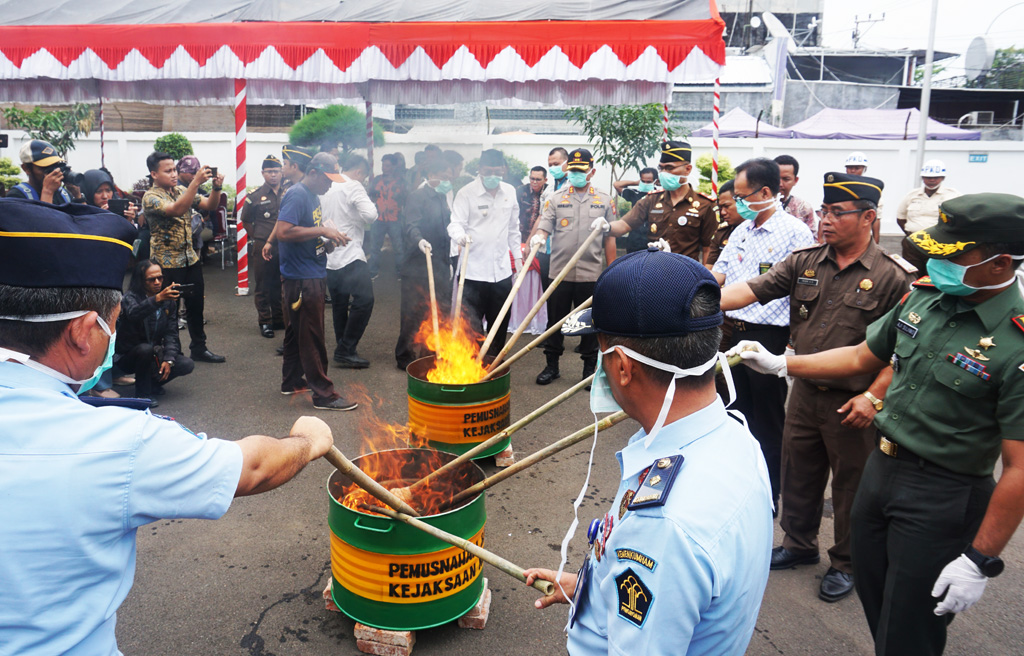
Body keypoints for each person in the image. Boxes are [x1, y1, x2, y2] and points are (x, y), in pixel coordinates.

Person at [0, 197, 337, 656]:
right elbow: (252, 467)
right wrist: (307, 440)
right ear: (82, 331)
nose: (111, 335)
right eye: (110, 324)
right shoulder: (116, 441)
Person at [728, 193, 1024, 655]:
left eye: (951, 255)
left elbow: (1020, 468)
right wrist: (785, 364)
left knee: (911, 622)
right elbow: (862, 355)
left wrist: (980, 559)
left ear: (999, 263)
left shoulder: (1016, 341)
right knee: (875, 594)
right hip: (883, 471)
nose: (935, 262)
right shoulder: (928, 299)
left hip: (942, 491)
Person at [524, 247, 773, 655]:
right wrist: (599, 586)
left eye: (600, 351)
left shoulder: (663, 525)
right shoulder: (734, 436)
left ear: (622, 366)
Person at [720, 172, 917, 603]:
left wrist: (873, 396)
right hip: (805, 391)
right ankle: (798, 544)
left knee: (851, 485)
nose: (825, 220)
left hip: (855, 401)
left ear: (868, 217)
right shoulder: (806, 259)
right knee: (799, 471)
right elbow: (753, 289)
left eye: (836, 213)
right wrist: (697, 299)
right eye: (824, 211)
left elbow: (903, 352)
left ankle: (847, 562)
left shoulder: (893, 277)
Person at [710, 157, 815, 509]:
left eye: (742, 196)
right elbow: (720, 276)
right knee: (736, 413)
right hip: (731, 331)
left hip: (768, 336)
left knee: (768, 420)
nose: (738, 202)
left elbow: (805, 293)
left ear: (765, 192)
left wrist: (791, 343)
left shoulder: (797, 233)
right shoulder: (742, 229)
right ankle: (742, 487)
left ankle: (769, 495)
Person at [276, 152, 357, 411]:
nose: (331, 184)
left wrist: (327, 242)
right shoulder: (298, 194)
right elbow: (283, 231)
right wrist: (323, 230)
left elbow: (305, 235)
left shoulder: (312, 196)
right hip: (303, 278)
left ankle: (291, 381)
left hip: (308, 271)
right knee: (312, 336)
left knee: (296, 332)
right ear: (313, 173)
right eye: (327, 179)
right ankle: (324, 394)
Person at [531, 148, 617, 385]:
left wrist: (612, 270)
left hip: (590, 273)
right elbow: (544, 227)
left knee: (589, 323)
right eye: (572, 170)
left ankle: (588, 369)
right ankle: (552, 366)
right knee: (555, 321)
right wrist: (538, 237)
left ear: (591, 171)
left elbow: (610, 238)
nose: (575, 174)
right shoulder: (556, 198)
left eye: (581, 170)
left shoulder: (604, 199)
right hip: (560, 273)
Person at [141, 151, 226, 364]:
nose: (173, 174)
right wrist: (195, 183)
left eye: (175, 170)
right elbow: (177, 209)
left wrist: (216, 187)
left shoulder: (181, 189)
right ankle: (170, 354)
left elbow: (210, 206)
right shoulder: (151, 197)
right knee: (169, 311)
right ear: (153, 174)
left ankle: (199, 348)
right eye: (167, 170)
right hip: (166, 264)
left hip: (190, 259)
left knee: (196, 307)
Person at [448, 148, 521, 358]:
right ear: (479, 169)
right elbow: (455, 224)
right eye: (488, 171)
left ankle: (494, 364)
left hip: (501, 272)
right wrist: (459, 236)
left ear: (504, 170)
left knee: (499, 323)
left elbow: (514, 229)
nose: (492, 176)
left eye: (497, 172)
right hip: (472, 272)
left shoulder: (510, 191)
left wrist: (518, 257)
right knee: (471, 324)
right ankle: (472, 364)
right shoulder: (466, 193)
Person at [608, 141, 717, 263]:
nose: (664, 173)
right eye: (661, 168)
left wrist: (707, 279)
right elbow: (624, 225)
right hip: (654, 271)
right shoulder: (651, 200)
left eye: (670, 168)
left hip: (686, 275)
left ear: (687, 169)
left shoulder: (705, 205)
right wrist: (606, 226)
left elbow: (709, 249)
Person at [396, 159, 457, 369]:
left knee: (440, 309)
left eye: (450, 178)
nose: (447, 181)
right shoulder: (417, 196)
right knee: (412, 311)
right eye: (444, 177)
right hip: (417, 263)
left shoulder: (443, 196)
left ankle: (430, 353)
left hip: (440, 261)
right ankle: (404, 355)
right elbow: (410, 225)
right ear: (432, 175)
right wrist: (419, 240)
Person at [322, 154, 377, 369]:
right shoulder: (353, 185)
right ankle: (345, 349)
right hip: (350, 253)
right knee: (365, 300)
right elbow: (371, 215)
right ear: (359, 172)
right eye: (363, 176)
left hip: (328, 254)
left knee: (339, 304)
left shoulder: (326, 187)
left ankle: (344, 347)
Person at [115, 260, 194, 406]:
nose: (157, 282)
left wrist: (168, 359)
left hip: (153, 354)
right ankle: (142, 395)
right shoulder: (130, 297)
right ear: (141, 280)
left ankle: (152, 383)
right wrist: (157, 299)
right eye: (152, 279)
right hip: (127, 356)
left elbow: (171, 333)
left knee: (186, 364)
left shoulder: (168, 301)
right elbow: (134, 314)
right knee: (145, 349)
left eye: (160, 278)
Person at [239, 155, 286, 338]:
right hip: (263, 245)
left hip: (285, 244)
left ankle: (279, 318)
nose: (273, 175)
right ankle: (265, 322)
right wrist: (259, 237)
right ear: (263, 173)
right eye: (269, 172)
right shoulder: (255, 196)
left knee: (281, 283)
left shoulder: (288, 192)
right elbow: (245, 221)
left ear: (282, 172)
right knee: (263, 284)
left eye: (276, 171)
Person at [896, 159, 961, 274]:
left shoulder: (952, 195)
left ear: (942, 178)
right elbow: (901, 218)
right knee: (911, 273)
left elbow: (958, 219)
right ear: (922, 178)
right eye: (927, 177)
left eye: (936, 177)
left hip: (938, 243)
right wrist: (912, 233)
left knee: (934, 274)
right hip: (912, 243)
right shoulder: (912, 195)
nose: (932, 180)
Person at [367, 153, 409, 280]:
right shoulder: (376, 180)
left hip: (395, 218)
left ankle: (400, 273)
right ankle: (373, 272)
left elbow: (406, 197)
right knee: (374, 246)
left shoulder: (401, 181)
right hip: (378, 218)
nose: (385, 168)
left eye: (388, 165)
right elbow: (371, 195)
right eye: (383, 165)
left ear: (394, 166)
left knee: (399, 248)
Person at [536, 147, 572, 288]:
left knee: (561, 293)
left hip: (563, 251)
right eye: (550, 165)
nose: (552, 168)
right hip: (545, 251)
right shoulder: (549, 189)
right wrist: (529, 243)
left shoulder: (574, 188)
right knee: (546, 293)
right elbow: (541, 217)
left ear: (567, 163)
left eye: (556, 164)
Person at [7, 139, 74, 204]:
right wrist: (47, 192)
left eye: (54, 166)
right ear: (26, 168)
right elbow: (44, 215)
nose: (52, 172)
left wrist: (78, 197)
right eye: (45, 168)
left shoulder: (64, 195)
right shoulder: (16, 196)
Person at [613, 167, 659, 253]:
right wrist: (636, 182)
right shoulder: (634, 193)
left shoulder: (661, 196)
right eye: (643, 181)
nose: (645, 184)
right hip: (635, 240)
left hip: (653, 240)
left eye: (648, 182)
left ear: (655, 181)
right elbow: (617, 185)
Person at [844, 152, 882, 243]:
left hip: (861, 236)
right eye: (850, 167)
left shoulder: (872, 190)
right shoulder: (837, 187)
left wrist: (876, 242)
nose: (853, 171)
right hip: (842, 233)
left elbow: (876, 218)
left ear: (864, 169)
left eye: (857, 168)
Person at [774, 154, 816, 234]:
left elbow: (813, 241)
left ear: (795, 180)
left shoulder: (804, 208)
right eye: (776, 178)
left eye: (786, 179)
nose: (780, 184)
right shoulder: (759, 206)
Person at [705, 179, 741, 269]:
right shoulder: (721, 233)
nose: (723, 213)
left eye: (727, 206)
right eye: (720, 208)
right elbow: (710, 267)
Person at [517, 166, 547, 241]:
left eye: (538, 179)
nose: (534, 182)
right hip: (520, 235)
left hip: (540, 236)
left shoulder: (549, 192)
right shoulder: (520, 190)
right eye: (532, 179)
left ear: (545, 180)